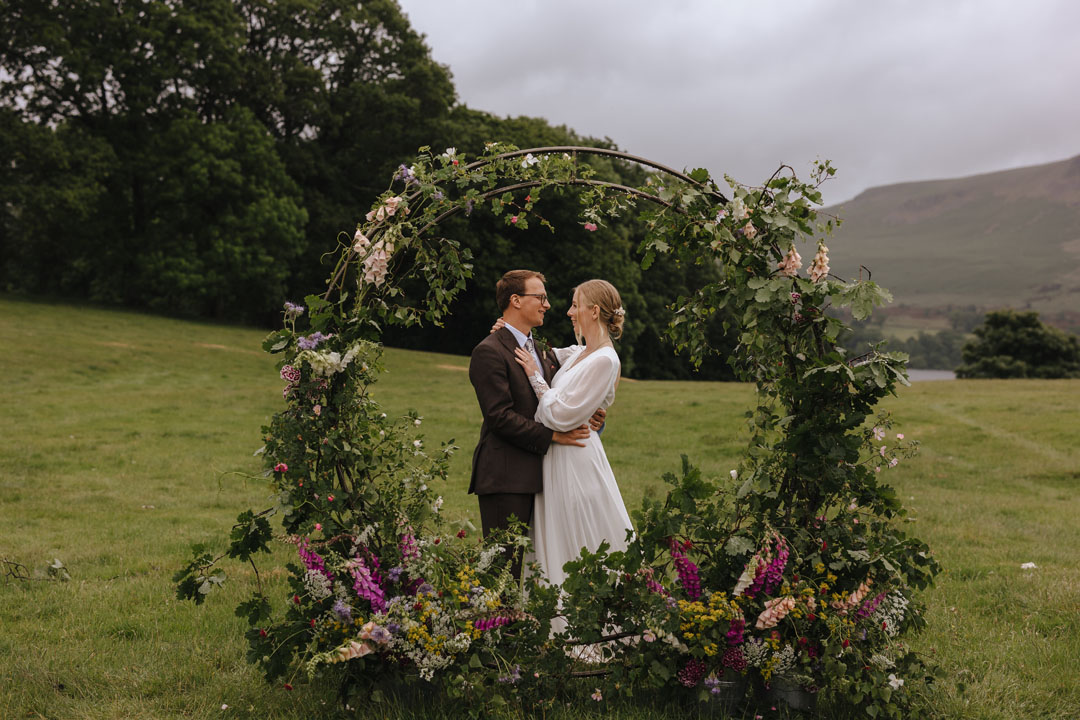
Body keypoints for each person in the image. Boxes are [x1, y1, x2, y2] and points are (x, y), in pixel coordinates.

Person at [467, 270, 604, 576]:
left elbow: (559, 396)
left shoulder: (542, 351)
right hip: (506, 478)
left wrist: (590, 414)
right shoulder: (488, 351)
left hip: (543, 478)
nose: (547, 305)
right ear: (515, 300)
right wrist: (552, 435)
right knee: (503, 574)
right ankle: (495, 625)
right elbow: (499, 417)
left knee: (538, 573)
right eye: (540, 297)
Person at [511, 279, 634, 591]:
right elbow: (543, 353)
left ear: (594, 312)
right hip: (556, 456)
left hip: (575, 458)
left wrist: (535, 379)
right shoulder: (581, 353)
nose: (569, 312)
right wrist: (508, 327)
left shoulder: (606, 359)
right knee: (556, 538)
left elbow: (560, 415)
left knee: (580, 537)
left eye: (575, 305)